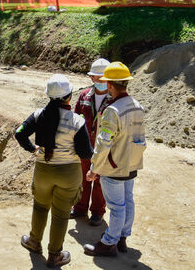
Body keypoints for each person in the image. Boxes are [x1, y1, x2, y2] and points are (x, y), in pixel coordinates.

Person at [16, 74, 93, 268]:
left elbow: (19, 133)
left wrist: (33, 148)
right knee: (60, 214)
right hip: (68, 173)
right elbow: (85, 153)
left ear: (49, 96)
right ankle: (55, 255)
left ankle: (34, 241)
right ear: (69, 96)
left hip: (43, 171)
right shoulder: (77, 121)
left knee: (40, 207)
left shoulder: (38, 115)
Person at [83, 61, 146, 257]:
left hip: (114, 167)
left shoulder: (113, 111)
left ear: (110, 85)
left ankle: (108, 243)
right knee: (128, 202)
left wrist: (94, 167)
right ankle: (122, 238)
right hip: (131, 164)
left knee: (117, 207)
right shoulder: (137, 106)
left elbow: (103, 143)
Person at [70, 58, 112, 226]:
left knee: (100, 180)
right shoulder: (83, 96)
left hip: (105, 147)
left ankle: (97, 212)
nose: (101, 81)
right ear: (91, 78)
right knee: (83, 178)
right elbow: (75, 119)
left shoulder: (115, 98)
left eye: (104, 78)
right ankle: (80, 207)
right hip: (85, 145)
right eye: (97, 78)